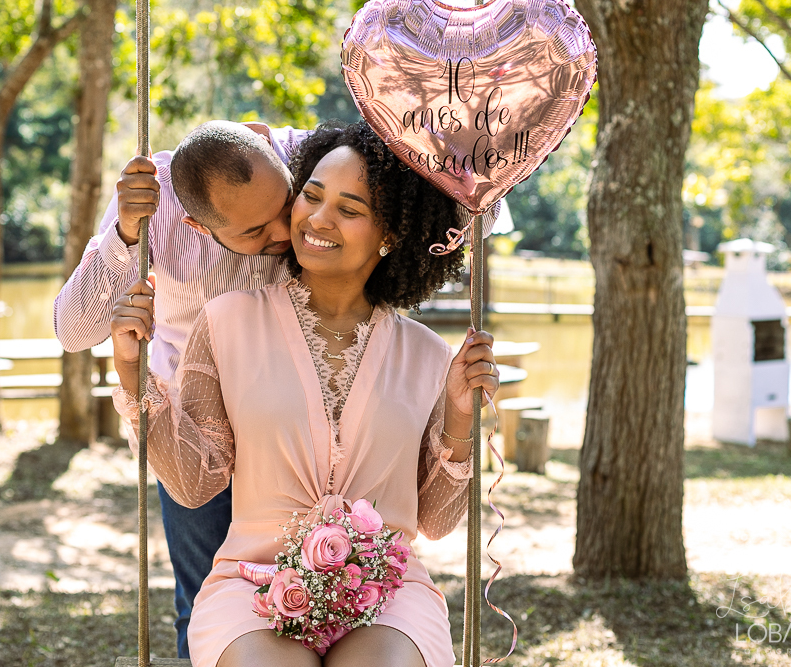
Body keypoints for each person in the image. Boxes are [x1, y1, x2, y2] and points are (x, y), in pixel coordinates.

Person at [110, 120, 501, 667]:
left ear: (390, 234)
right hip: (253, 587)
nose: (317, 218)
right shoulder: (226, 323)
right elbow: (195, 483)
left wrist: (461, 414)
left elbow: (434, 520)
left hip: (386, 593)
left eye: (350, 208)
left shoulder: (429, 354)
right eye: (311, 195)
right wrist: (132, 371)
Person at [53, 119, 305, 657]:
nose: (285, 233)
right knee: (207, 600)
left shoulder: (302, 154)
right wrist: (122, 235)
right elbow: (74, 331)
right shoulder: (153, 201)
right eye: (254, 232)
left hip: (296, 420)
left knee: (310, 595)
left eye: (285, 207)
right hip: (190, 430)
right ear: (194, 224)